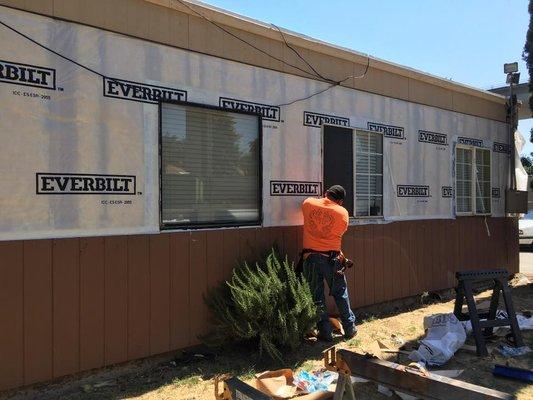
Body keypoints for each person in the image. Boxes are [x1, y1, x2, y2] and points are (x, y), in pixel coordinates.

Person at [301, 185, 357, 341]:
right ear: (339, 201)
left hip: (310, 258)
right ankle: (350, 328)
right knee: (340, 293)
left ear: (326, 193)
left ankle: (325, 332)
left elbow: (312, 201)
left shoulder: (308, 204)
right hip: (332, 260)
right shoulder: (342, 212)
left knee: (316, 296)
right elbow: (340, 232)